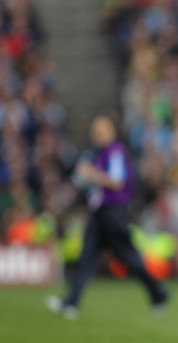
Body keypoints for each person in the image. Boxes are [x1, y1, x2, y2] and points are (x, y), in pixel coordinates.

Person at [47, 115, 168, 320]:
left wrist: (91, 174)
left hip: (113, 211)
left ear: (111, 132)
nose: (96, 135)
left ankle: (158, 292)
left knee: (128, 257)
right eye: (95, 132)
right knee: (87, 256)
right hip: (101, 211)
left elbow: (117, 182)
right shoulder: (101, 153)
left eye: (100, 131)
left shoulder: (114, 152)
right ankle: (71, 302)